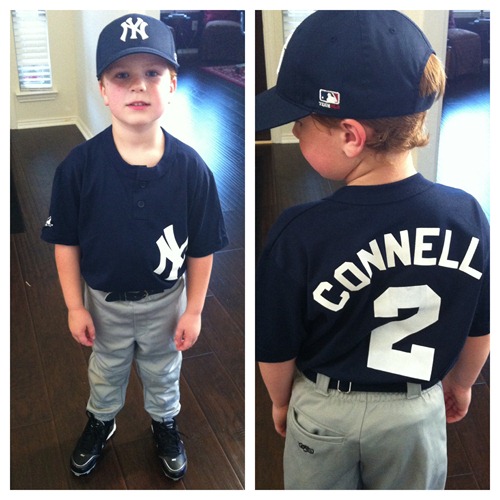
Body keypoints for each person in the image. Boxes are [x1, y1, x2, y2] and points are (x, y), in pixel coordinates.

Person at [255, 11, 489, 490]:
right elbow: (481, 326)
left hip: (326, 410)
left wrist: (280, 400)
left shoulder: (298, 232)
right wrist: (462, 383)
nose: (295, 132)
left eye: (300, 122)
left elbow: (275, 347)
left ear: (350, 136)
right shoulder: (466, 216)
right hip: (416, 411)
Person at [41, 13, 228, 480]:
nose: (138, 85)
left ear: (172, 84)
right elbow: (65, 243)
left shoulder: (193, 170)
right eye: (122, 75)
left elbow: (202, 248)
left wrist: (194, 310)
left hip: (166, 300)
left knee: (163, 368)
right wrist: (74, 307)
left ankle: (164, 423)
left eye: (152, 73)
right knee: (106, 368)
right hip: (103, 302)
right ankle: (101, 421)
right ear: (103, 90)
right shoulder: (78, 168)